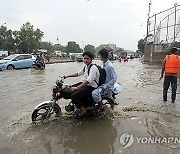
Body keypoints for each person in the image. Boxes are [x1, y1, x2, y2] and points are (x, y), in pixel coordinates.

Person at [64, 51, 100, 115]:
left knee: (74, 96)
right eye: (84, 58)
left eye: (87, 58)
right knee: (69, 88)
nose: (85, 60)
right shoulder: (86, 67)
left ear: (91, 59)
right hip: (86, 84)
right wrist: (67, 76)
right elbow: (78, 73)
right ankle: (76, 105)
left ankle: (83, 111)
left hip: (91, 87)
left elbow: (88, 80)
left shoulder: (93, 68)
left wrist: (77, 88)